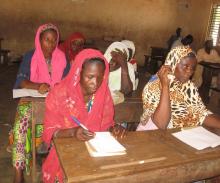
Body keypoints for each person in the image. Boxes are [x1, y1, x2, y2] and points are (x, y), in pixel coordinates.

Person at [42, 49, 125, 183]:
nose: (95, 83)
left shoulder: (103, 93)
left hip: (95, 152)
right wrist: (72, 132)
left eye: (100, 77)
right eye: (90, 76)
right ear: (78, 73)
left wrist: (113, 128)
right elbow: (49, 132)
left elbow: (106, 123)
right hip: (65, 153)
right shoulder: (59, 94)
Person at [12, 23, 69, 183]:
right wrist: (38, 86)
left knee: (68, 120)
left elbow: (69, 81)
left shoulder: (62, 58)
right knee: (21, 121)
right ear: (39, 39)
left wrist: (59, 88)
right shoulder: (30, 56)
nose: (50, 44)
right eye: (47, 39)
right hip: (33, 99)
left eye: (54, 40)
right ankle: (18, 172)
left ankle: (56, 166)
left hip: (55, 102)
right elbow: (21, 81)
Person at [137, 46, 220, 131]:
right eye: (185, 66)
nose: (189, 72)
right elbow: (161, 124)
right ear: (173, 63)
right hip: (152, 135)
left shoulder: (188, 86)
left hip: (178, 134)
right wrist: (165, 85)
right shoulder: (154, 86)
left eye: (193, 68)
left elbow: (200, 114)